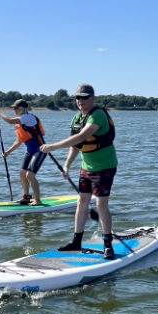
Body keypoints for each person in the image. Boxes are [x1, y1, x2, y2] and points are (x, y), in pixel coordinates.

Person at [40, 84, 117, 259]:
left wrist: (52, 146)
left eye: (84, 97)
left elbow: (82, 136)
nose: (80, 101)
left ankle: (107, 244)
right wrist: (67, 165)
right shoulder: (76, 118)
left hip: (104, 166)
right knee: (81, 201)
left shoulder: (98, 115)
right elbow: (76, 145)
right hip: (86, 167)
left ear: (92, 98)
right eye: (77, 98)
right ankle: (76, 241)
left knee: (100, 204)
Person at [0, 99, 46, 205]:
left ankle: (38, 201)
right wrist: (7, 152)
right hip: (30, 151)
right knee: (22, 173)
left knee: (30, 175)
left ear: (24, 109)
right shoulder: (20, 123)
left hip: (40, 150)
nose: (15, 110)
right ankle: (26, 197)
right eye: (14, 108)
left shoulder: (28, 117)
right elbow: (19, 141)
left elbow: (10, 121)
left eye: (17, 108)